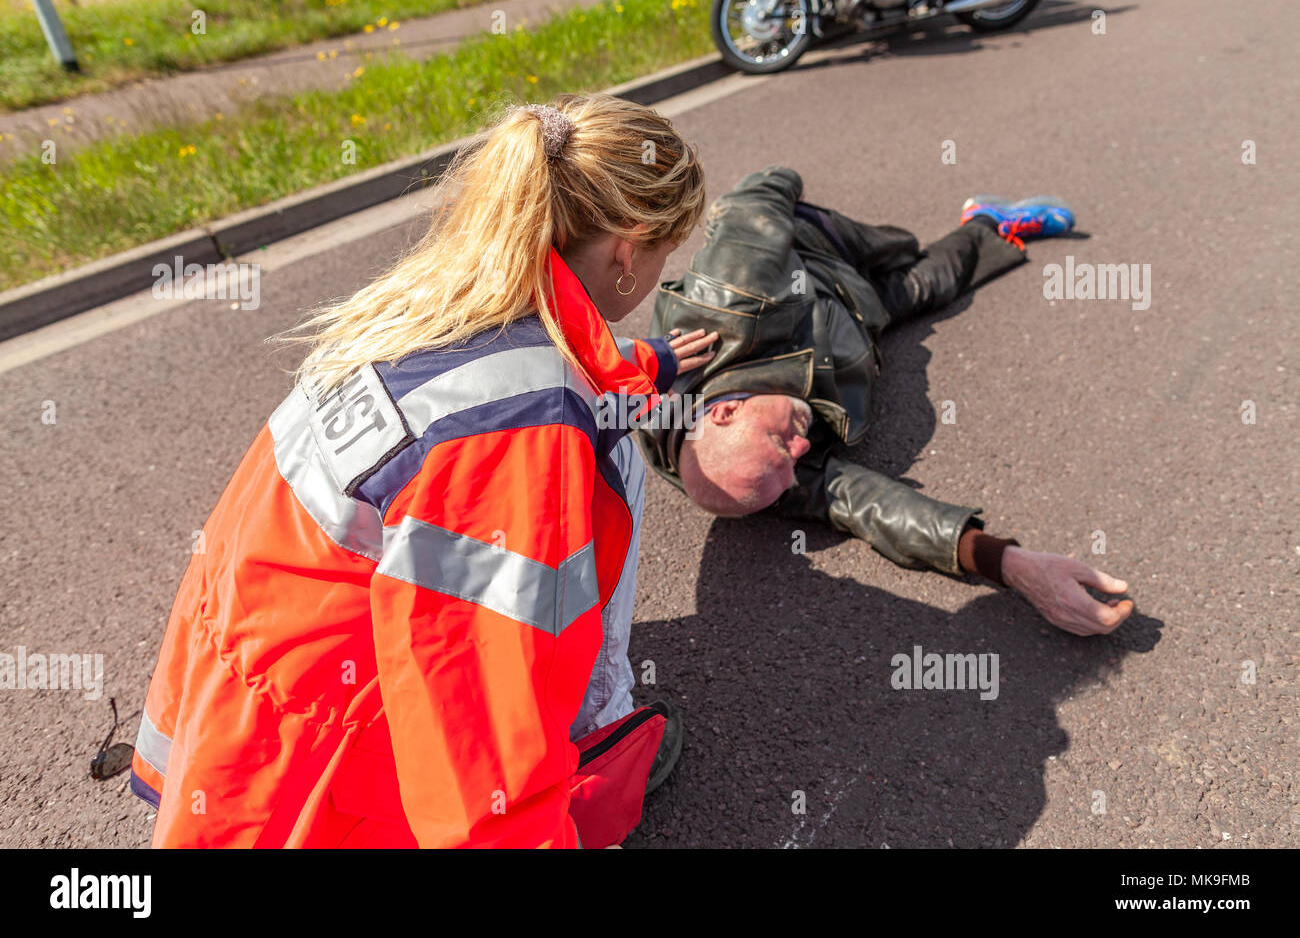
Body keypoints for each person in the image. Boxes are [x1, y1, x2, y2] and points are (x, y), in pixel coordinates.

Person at [129, 93, 714, 848]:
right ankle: (600, 727)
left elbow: (531, 368)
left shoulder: (432, 302)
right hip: (326, 783)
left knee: (607, 440)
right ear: (629, 251)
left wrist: (649, 364)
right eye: (666, 257)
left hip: (241, 717)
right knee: (613, 469)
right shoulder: (522, 435)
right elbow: (480, 740)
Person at [638, 166, 1134, 637]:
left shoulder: (731, 291)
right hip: (860, 321)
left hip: (822, 257)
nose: (802, 449)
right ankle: (989, 220)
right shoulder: (757, 471)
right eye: (791, 463)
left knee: (901, 249)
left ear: (725, 412)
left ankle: (944, 231)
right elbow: (869, 506)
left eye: (781, 441)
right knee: (934, 281)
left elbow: (754, 195)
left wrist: (789, 185)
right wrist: (1012, 564)